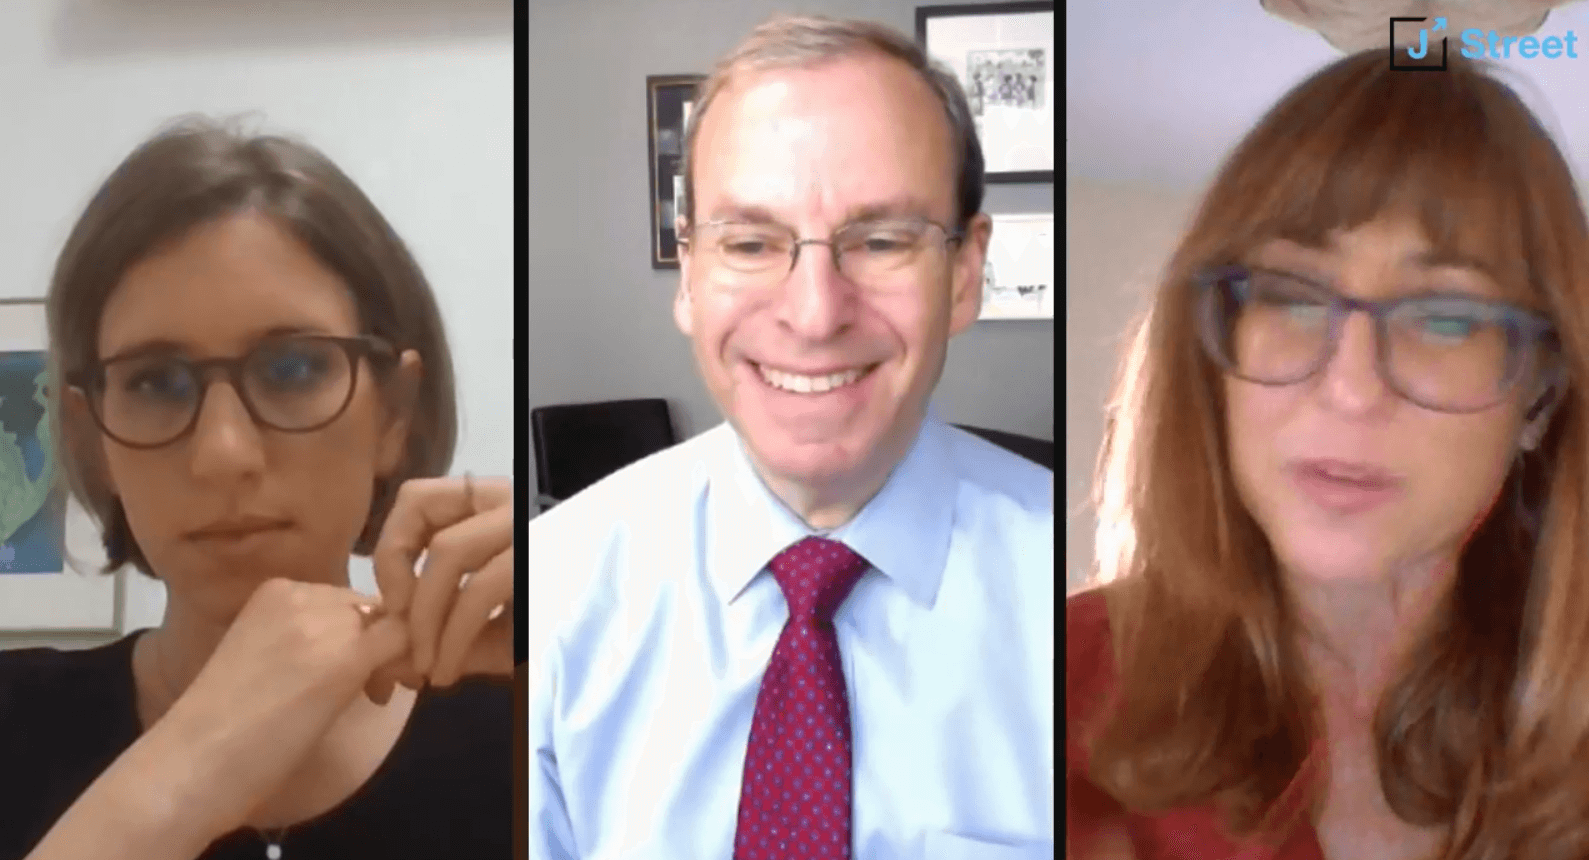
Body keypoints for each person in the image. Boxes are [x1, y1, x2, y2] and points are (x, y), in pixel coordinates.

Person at [525, 14, 1054, 860]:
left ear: (962, 274)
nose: (813, 314)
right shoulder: (550, 593)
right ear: (690, 274)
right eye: (748, 242)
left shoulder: (1083, 600)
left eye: (880, 240)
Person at [1066, 49, 1589, 860]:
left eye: (1445, 316)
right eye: (1287, 294)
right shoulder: (1030, 692)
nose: (1349, 389)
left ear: (1541, 397)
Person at [0, 117, 516, 860]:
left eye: (293, 369)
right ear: (92, 438)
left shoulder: (519, 721)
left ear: (394, 414)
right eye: (155, 382)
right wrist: (184, 775)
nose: (223, 453)